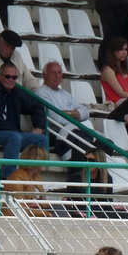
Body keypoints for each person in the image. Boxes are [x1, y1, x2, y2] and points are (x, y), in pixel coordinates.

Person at [0, 63, 48, 180]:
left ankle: (31, 175)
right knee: (15, 137)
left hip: (11, 133)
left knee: (42, 139)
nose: (11, 79)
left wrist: (39, 127)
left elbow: (37, 106)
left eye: (14, 77)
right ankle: (8, 177)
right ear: (0, 76)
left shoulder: (16, 92)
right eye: (7, 76)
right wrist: (17, 132)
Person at [36, 61, 94, 190]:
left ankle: (95, 191)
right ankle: (76, 190)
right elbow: (57, 119)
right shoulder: (41, 93)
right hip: (55, 135)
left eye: (59, 73)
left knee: (101, 145)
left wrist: (68, 113)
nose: (57, 76)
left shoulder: (66, 94)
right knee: (83, 146)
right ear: (44, 75)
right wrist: (75, 114)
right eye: (53, 73)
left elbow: (86, 112)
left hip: (72, 133)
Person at [4, 143, 50, 215]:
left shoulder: (37, 176)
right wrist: (44, 212)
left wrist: (38, 204)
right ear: (36, 160)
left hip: (34, 212)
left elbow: (44, 202)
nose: (46, 162)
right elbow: (19, 207)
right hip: (18, 216)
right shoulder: (16, 178)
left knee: (61, 209)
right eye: (43, 159)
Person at [100, 37, 128, 104]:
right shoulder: (108, 70)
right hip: (116, 103)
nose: (124, 52)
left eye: (126, 49)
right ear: (113, 51)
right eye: (121, 49)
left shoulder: (127, 71)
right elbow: (120, 93)